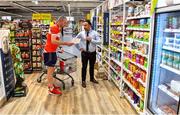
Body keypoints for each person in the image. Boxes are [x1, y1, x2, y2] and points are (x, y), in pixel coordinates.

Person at [44, 16, 74, 95]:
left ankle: (52, 85)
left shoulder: (57, 28)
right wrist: (66, 43)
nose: (65, 24)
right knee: (50, 72)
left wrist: (59, 47)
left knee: (52, 70)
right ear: (60, 21)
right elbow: (53, 41)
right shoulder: (55, 28)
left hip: (52, 51)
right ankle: (51, 89)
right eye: (64, 22)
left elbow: (55, 40)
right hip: (49, 51)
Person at [75, 20, 101, 88]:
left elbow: (99, 42)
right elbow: (75, 40)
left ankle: (92, 78)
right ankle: (83, 81)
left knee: (92, 66)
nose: (84, 27)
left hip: (92, 53)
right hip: (84, 53)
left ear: (90, 25)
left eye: (85, 25)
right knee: (84, 67)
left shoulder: (95, 33)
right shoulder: (81, 33)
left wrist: (91, 40)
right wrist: (79, 48)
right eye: (83, 25)